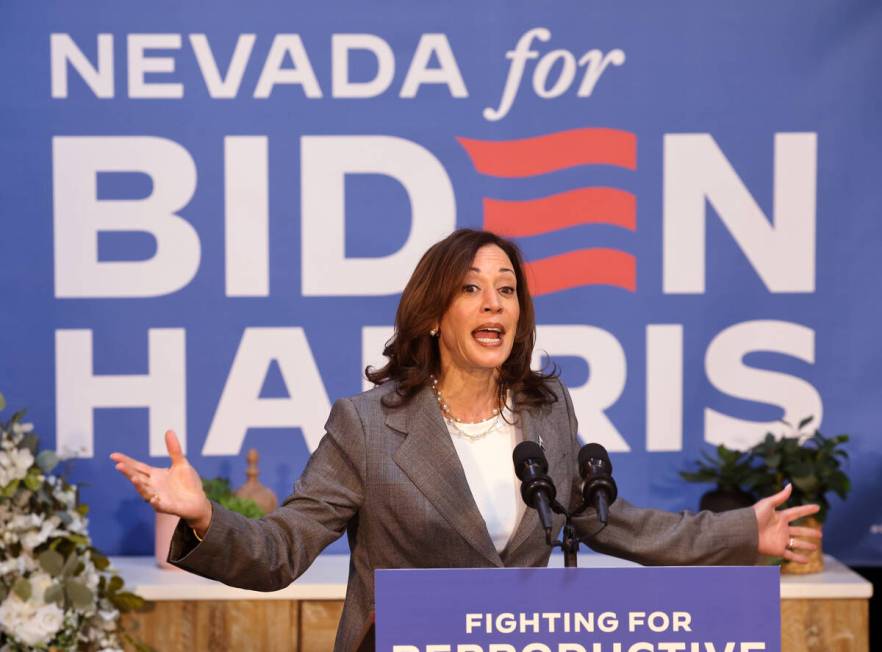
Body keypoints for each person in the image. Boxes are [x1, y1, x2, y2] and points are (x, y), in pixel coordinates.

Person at [110, 229, 820, 651]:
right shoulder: (366, 425)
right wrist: (204, 519)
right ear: (432, 314)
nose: (494, 303)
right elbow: (282, 550)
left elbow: (608, 521)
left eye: (506, 290)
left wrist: (738, 533)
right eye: (473, 289)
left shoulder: (548, 411)